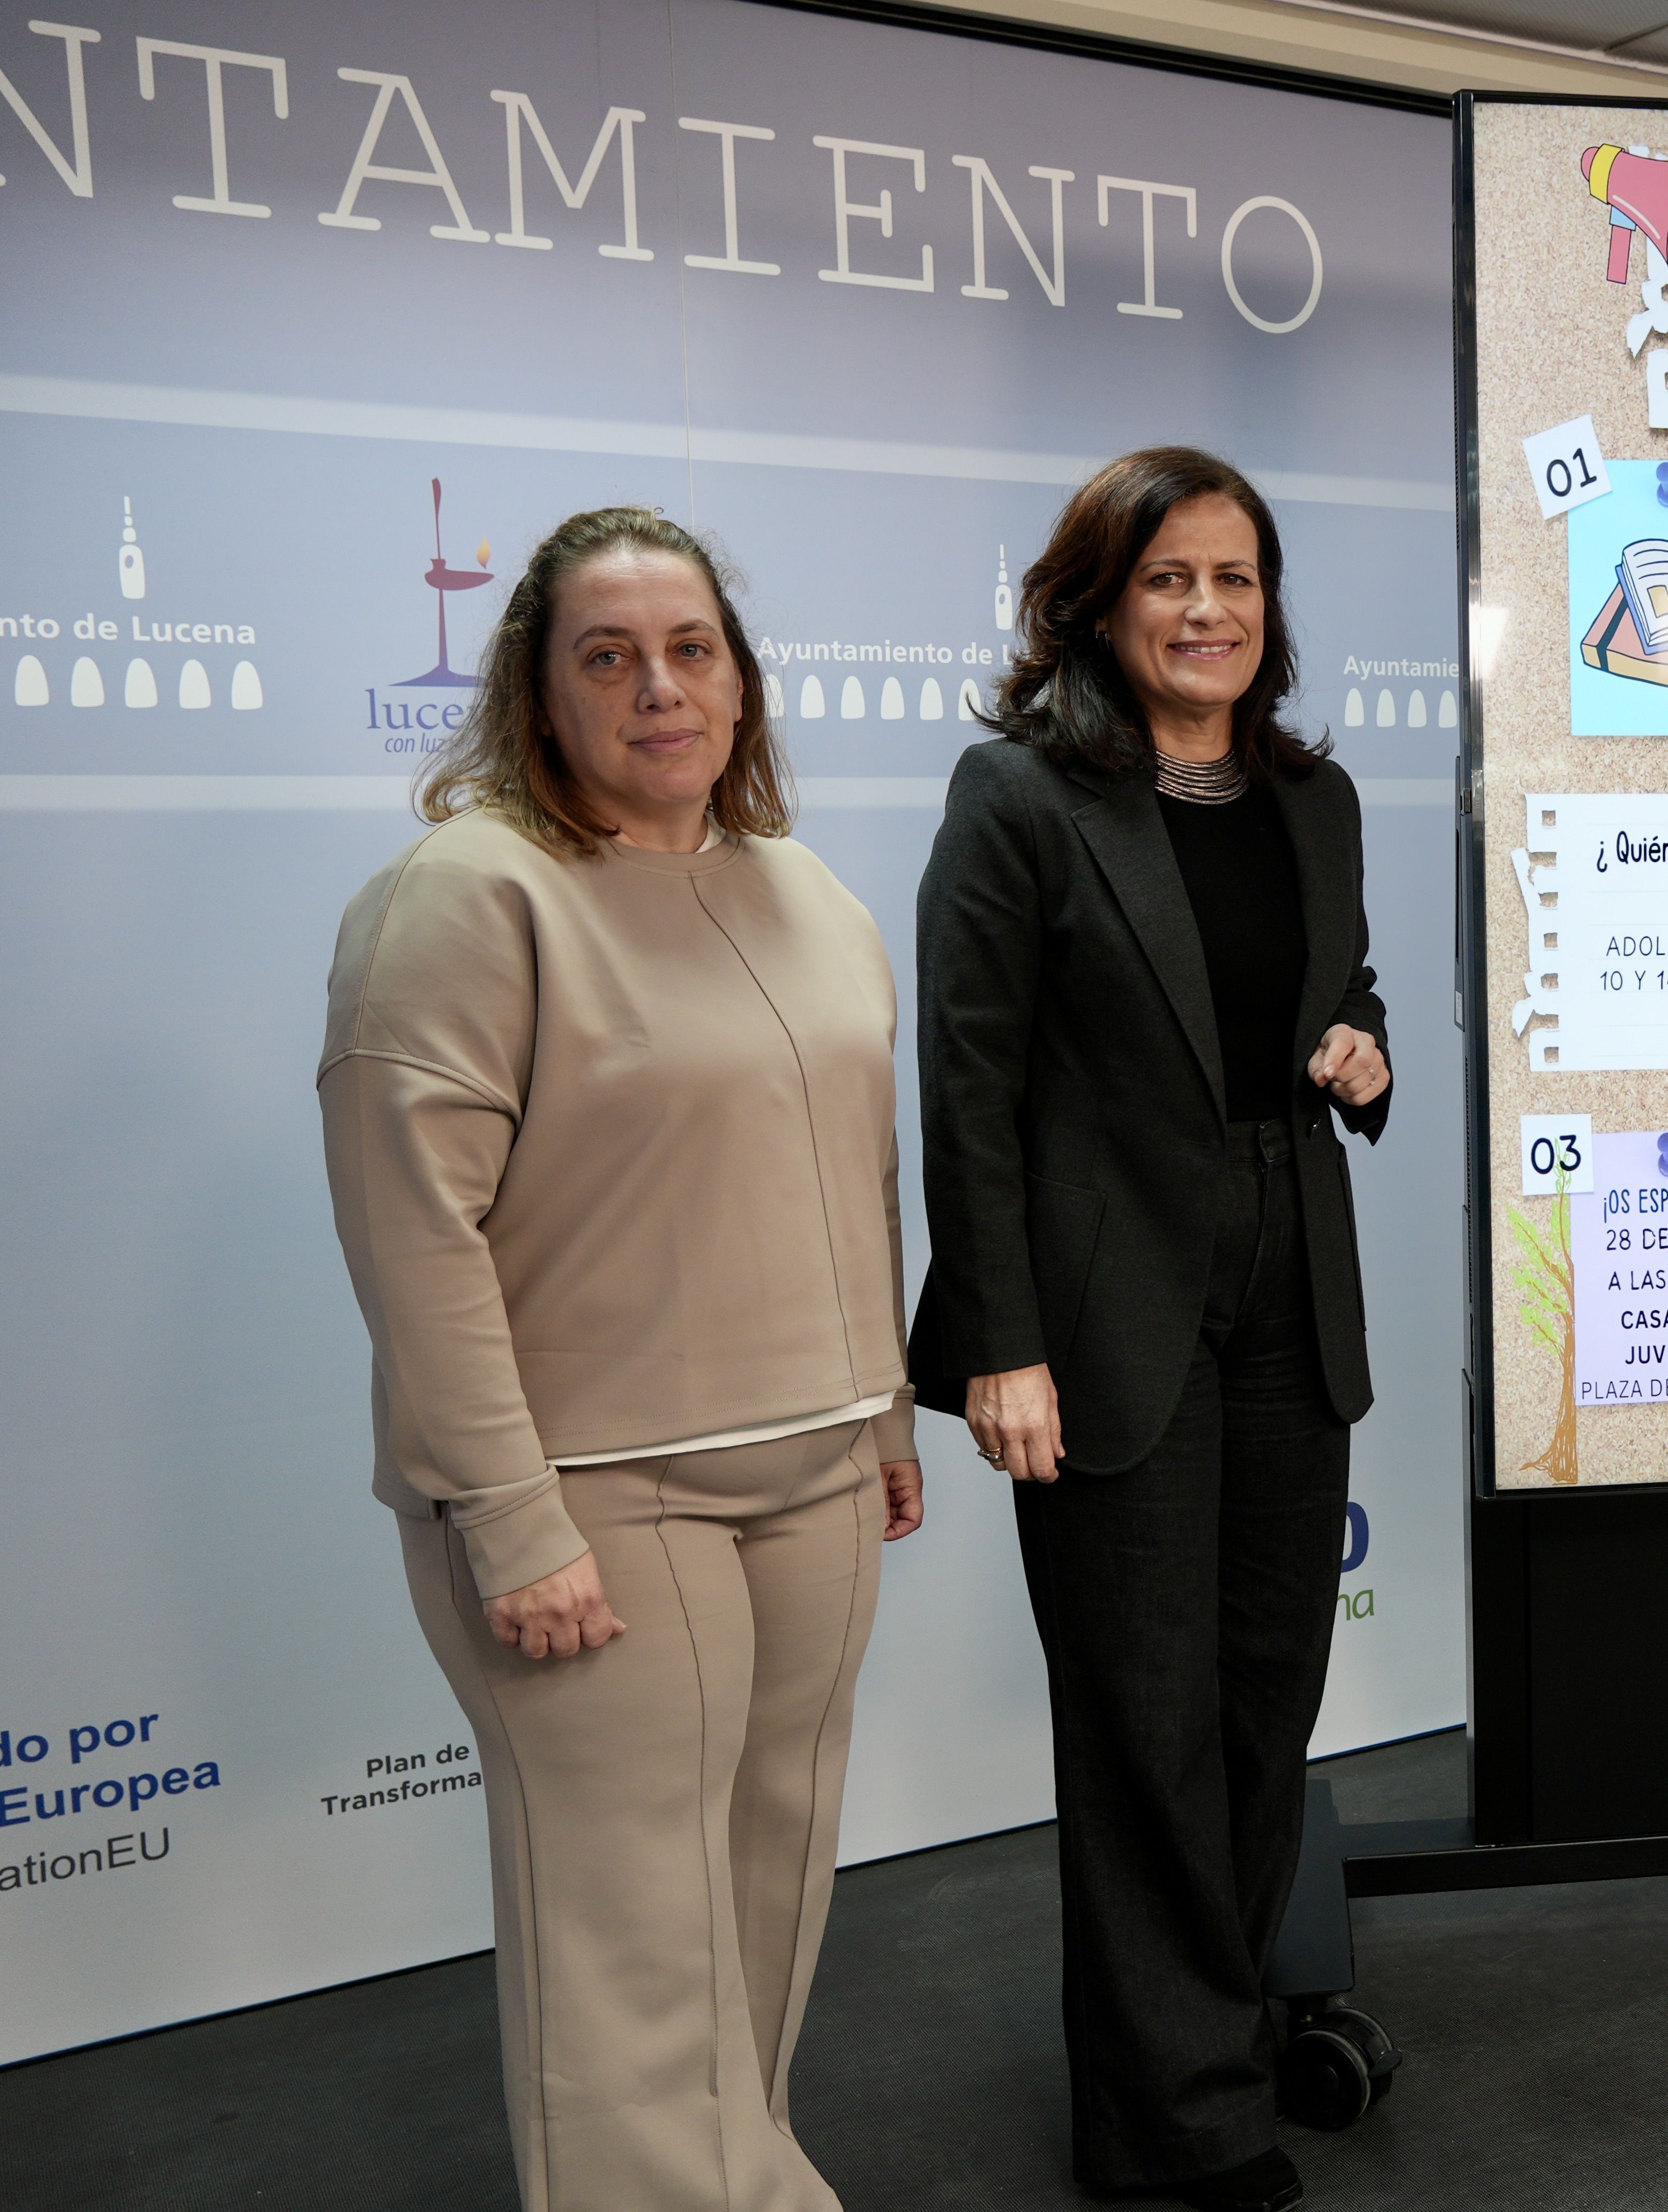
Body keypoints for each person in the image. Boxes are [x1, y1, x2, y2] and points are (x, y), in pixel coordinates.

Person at [318, 509, 925, 2211]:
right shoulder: (464, 898)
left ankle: (754, 2182)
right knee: (629, 1946)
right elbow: (411, 1232)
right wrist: (509, 1517)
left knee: (763, 1892)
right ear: (541, 693)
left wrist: (882, 1408)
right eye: (610, 657)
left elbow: (855, 1173)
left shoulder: (804, 889)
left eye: (692, 650)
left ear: (739, 680)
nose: (660, 688)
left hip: (813, 1477)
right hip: (593, 1503)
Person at [911, 447, 1391, 2212]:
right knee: (1143, 1716)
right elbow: (967, 1089)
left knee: (1268, 1697)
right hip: (1105, 1313)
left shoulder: (1314, 801)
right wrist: (996, 1342)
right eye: (1171, 581)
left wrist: (1364, 1054)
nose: (1209, 613)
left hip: (1287, 1286)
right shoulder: (1021, 799)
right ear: (1101, 608)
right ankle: (1173, 2125)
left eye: (1238, 581)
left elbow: (1333, 988)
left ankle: (1210, 2039)